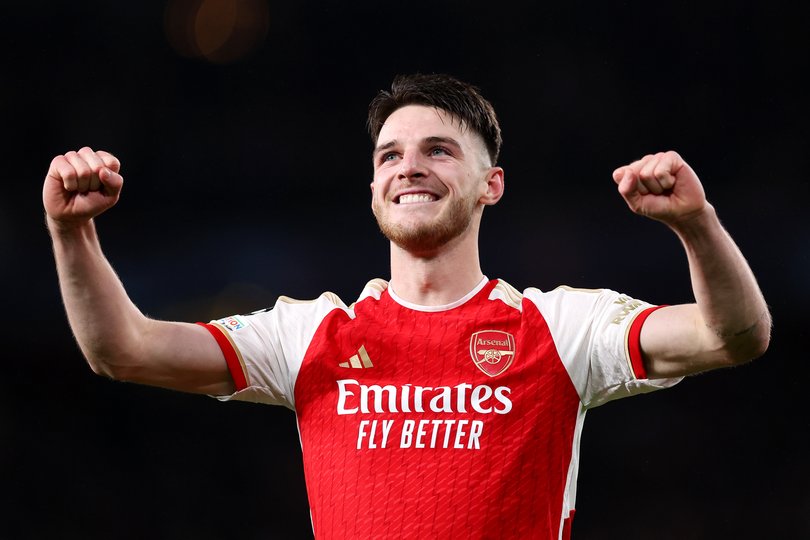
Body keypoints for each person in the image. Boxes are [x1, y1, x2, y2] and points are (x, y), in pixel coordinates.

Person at [43, 73, 771, 539]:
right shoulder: (308, 334)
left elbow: (732, 335)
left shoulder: (562, 327)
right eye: (389, 155)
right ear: (372, 190)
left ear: (492, 186)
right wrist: (71, 231)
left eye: (438, 151)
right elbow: (124, 349)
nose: (409, 167)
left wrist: (695, 224)